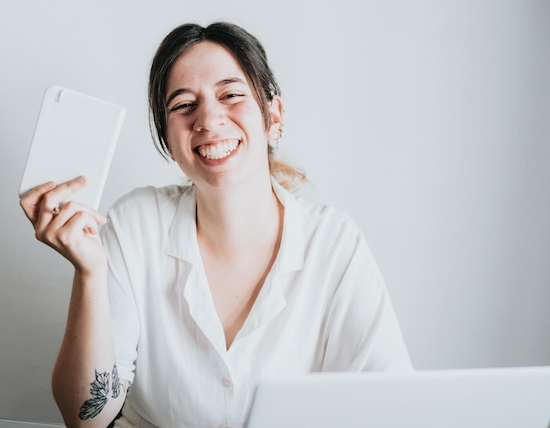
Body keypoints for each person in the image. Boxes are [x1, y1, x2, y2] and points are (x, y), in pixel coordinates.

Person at [20, 21, 412, 428]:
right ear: (168, 139)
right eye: (184, 104)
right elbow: (88, 419)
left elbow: (390, 407)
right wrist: (89, 270)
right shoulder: (134, 225)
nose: (208, 118)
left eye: (231, 95)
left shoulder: (335, 245)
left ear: (274, 115)